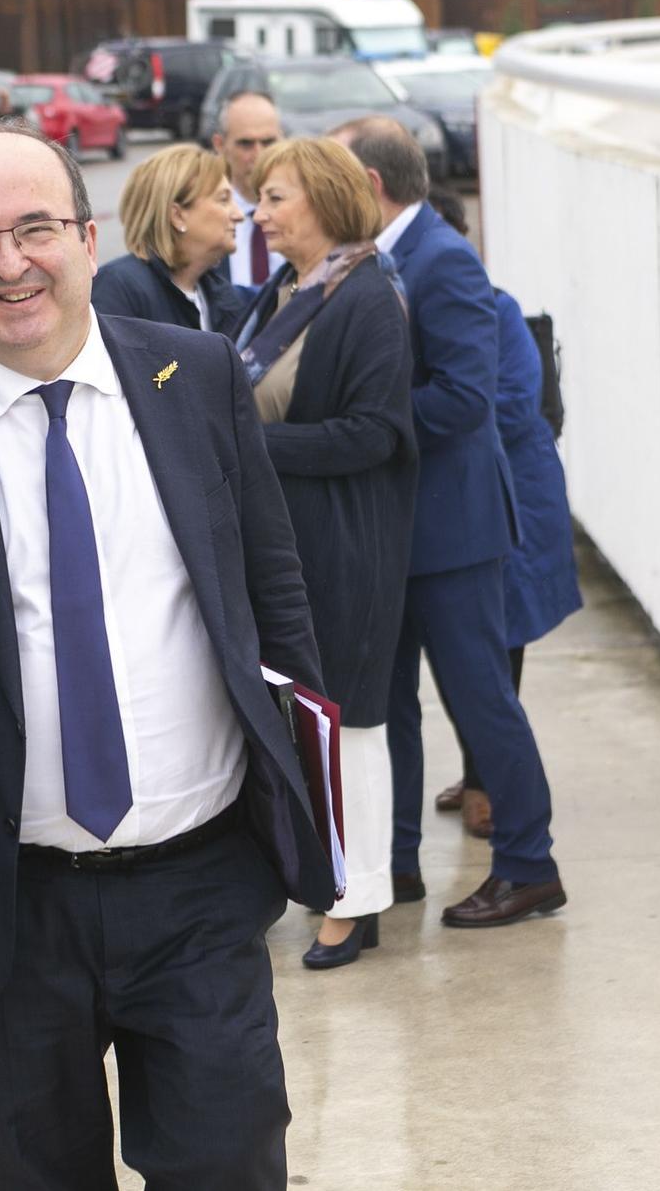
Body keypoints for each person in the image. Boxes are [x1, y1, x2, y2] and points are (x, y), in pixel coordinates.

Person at [0, 124, 331, 1189]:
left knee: (230, 1165)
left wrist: (314, 813)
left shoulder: (193, 377)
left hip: (200, 880)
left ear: (86, 235)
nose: (7, 262)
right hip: (8, 904)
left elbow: (272, 594)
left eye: (33, 229)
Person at [331, 117, 567, 929]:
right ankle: (398, 862)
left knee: (480, 703)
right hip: (397, 531)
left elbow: (468, 398)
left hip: (456, 535)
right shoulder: (383, 256)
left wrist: (366, 422)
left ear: (367, 184)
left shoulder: (444, 259)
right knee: (389, 703)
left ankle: (530, 865)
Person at [230, 137, 417, 969]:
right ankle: (316, 877)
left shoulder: (368, 295)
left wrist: (256, 452)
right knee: (298, 722)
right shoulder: (288, 287)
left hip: (343, 546)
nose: (257, 214)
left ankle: (356, 900)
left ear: (326, 200)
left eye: (275, 197)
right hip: (285, 546)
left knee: (349, 726)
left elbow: (376, 433)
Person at [424, 188, 582, 838]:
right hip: (472, 494)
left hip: (514, 496)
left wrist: (438, 405)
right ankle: (477, 770)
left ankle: (491, 784)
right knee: (473, 646)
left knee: (498, 644)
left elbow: (512, 403)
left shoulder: (496, 309)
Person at [92, 143, 244, 332]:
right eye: (223, 200)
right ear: (177, 216)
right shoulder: (118, 289)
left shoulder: (219, 293)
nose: (239, 215)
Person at [211, 90, 284, 290]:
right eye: (246, 144)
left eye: (268, 142)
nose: (259, 155)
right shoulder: (204, 218)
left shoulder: (308, 215)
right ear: (220, 145)